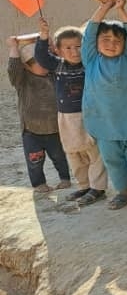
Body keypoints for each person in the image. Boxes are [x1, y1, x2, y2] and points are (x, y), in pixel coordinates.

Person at [83, 0, 127, 209]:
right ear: (96, 43)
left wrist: (121, 9)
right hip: (103, 125)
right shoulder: (90, 59)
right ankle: (123, 194)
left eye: (117, 41)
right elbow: (90, 32)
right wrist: (105, 7)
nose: (111, 44)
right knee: (113, 162)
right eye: (105, 39)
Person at [34, 20, 106, 202]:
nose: (74, 52)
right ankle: (84, 186)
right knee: (73, 153)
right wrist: (43, 35)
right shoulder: (58, 65)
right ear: (57, 50)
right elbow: (41, 57)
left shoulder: (88, 64)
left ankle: (97, 188)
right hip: (66, 118)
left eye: (78, 46)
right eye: (68, 48)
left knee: (94, 152)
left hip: (88, 115)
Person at [8, 35, 70, 195]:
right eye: (36, 63)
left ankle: (65, 178)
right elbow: (14, 69)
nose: (42, 65)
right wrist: (14, 47)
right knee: (35, 160)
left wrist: (44, 42)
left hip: (54, 128)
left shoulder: (54, 74)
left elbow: (57, 55)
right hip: (31, 131)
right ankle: (39, 183)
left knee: (59, 157)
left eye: (44, 61)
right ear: (26, 66)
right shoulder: (22, 80)